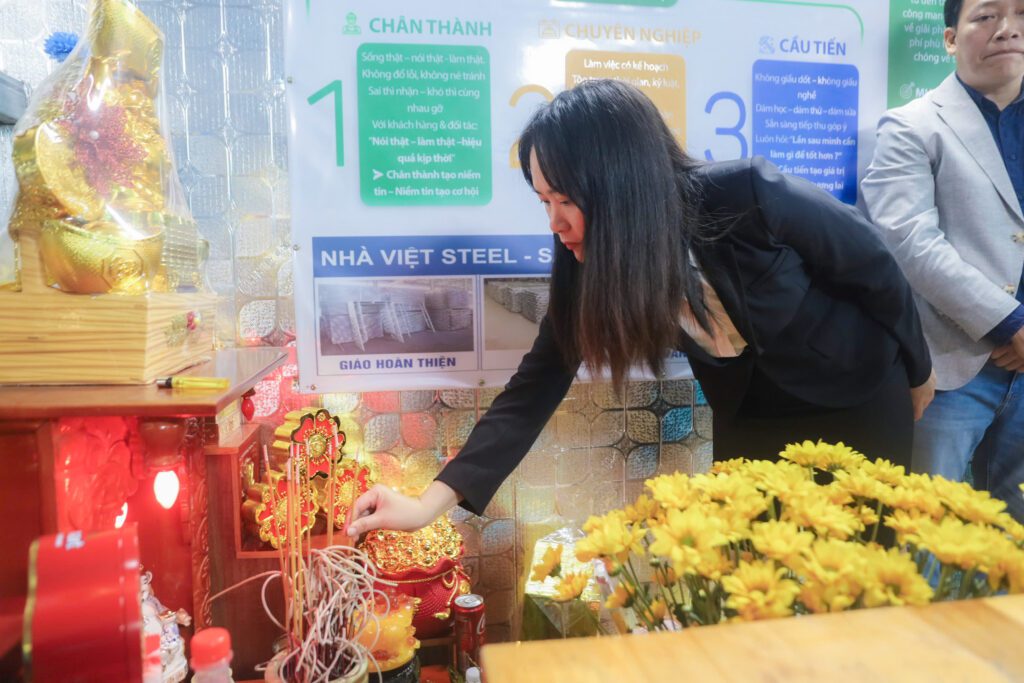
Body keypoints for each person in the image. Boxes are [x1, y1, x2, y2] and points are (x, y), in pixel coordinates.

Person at [347, 79, 935, 537]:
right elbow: (534, 386)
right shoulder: (587, 263)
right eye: (544, 201)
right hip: (753, 420)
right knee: (755, 582)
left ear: (620, 185)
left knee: (857, 582)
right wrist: (427, 504)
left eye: (566, 200)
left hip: (856, 395)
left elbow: (873, 267)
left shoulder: (746, 194)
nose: (554, 223)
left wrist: (920, 373)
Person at [861, 0, 1024, 522]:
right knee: (925, 534)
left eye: (1021, 14)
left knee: (1014, 537)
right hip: (952, 369)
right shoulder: (910, 126)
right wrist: (1011, 323)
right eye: (987, 16)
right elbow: (909, 242)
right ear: (951, 39)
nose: (1007, 30)